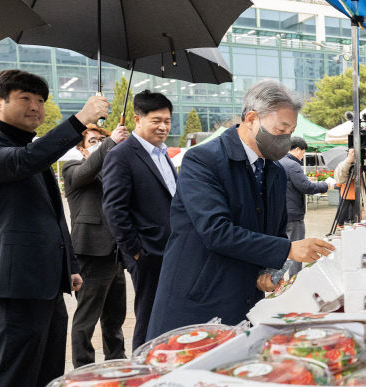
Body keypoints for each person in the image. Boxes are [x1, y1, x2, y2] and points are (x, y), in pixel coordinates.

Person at [146, 80, 334, 340]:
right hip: (199, 296)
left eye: (290, 131)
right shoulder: (203, 160)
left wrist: (270, 271)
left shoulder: (276, 172)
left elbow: (275, 231)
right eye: (281, 129)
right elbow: (216, 232)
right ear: (251, 118)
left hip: (245, 299)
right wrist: (290, 249)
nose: (285, 139)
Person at [0, 69, 108, 387]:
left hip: (45, 283)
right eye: (25, 98)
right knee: (12, 381)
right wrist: (80, 120)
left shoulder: (32, 149)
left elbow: (50, 214)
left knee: (46, 378)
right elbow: (23, 162)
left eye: (40, 100)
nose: (35, 107)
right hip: (12, 284)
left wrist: (70, 265)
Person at [102, 90, 177, 351]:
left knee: (168, 313)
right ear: (137, 119)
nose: (163, 126)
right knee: (147, 317)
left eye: (167, 120)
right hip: (147, 252)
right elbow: (114, 208)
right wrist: (133, 250)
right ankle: (142, 366)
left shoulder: (162, 154)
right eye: (156, 120)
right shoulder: (122, 155)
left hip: (171, 249)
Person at [63, 123, 130, 368]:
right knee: (86, 318)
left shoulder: (114, 171)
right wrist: (110, 142)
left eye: (103, 140)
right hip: (90, 253)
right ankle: (83, 367)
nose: (100, 144)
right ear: (81, 149)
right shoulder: (73, 169)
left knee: (115, 317)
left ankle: (117, 362)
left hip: (116, 254)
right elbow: (88, 170)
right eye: (93, 141)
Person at [278, 137, 328, 277]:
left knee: (281, 249)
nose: (302, 156)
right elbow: (306, 187)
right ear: (297, 149)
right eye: (303, 152)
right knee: (297, 248)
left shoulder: (278, 161)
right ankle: (295, 280)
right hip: (293, 214)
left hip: (279, 213)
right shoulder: (293, 165)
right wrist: (326, 185)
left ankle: (277, 281)